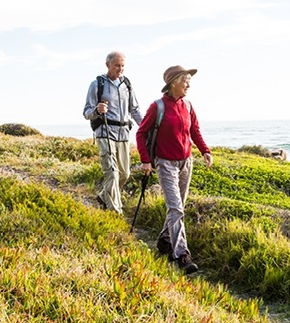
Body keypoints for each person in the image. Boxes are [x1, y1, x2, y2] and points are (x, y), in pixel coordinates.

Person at [135, 65, 213, 274]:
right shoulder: (157, 107)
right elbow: (141, 133)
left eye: (189, 81)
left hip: (186, 162)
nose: (188, 85)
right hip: (165, 164)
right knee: (176, 208)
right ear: (173, 83)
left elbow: (194, 130)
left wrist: (205, 150)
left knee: (177, 207)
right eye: (185, 81)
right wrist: (145, 160)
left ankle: (164, 240)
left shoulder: (188, 106)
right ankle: (181, 255)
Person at [83, 51, 142, 214]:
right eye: (117, 65)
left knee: (124, 174)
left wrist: (144, 126)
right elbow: (87, 112)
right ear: (107, 64)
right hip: (105, 132)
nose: (120, 69)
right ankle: (115, 211)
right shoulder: (97, 84)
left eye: (122, 65)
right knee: (112, 173)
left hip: (123, 134)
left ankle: (103, 196)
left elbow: (134, 109)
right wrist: (97, 110)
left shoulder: (127, 84)